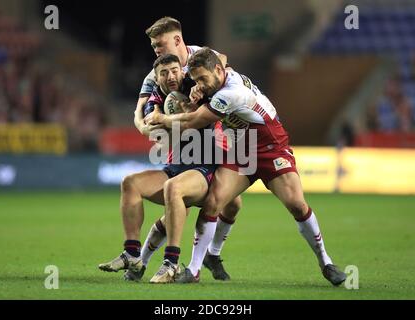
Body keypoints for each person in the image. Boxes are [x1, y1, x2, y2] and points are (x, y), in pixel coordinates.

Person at [146, 47, 347, 286]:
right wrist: (195, 95)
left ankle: (325, 262)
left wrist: (162, 119)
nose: (199, 84)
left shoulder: (231, 93)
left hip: (270, 145)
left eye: (203, 79)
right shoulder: (216, 80)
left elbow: (195, 120)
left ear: (219, 71)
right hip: (242, 147)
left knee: (296, 204)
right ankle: (194, 268)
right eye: (197, 79)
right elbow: (212, 74)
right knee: (213, 202)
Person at [98, 54, 240, 282]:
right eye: (164, 73)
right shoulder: (154, 101)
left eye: (174, 70)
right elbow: (157, 133)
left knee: (181, 191)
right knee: (130, 183)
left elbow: (221, 66)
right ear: (157, 78)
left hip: (206, 167)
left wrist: (187, 107)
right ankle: (132, 254)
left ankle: (172, 263)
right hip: (176, 166)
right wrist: (170, 120)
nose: (170, 76)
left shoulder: (199, 84)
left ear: (182, 71)